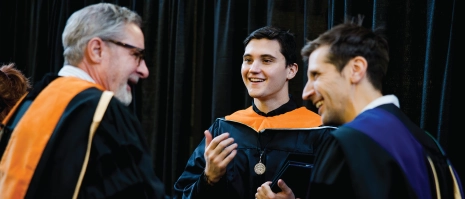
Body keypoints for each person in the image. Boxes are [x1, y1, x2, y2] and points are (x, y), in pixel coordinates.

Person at [0, 3, 166, 199]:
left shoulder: (26, 107)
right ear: (96, 50)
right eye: (136, 55)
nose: (144, 70)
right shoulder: (103, 113)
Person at [293, 16, 462, 198]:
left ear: (356, 69)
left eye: (316, 75)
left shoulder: (345, 143)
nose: (306, 93)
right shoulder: (430, 145)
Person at [173, 26, 336, 199]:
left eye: (266, 60)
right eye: (248, 60)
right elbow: (181, 195)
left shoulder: (319, 132)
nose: (253, 69)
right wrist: (208, 179)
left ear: (291, 70)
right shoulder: (224, 129)